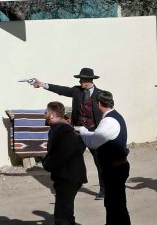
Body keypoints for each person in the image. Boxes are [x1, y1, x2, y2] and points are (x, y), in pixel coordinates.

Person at [33, 68, 107, 199]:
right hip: (78, 131)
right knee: (71, 157)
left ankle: (104, 189)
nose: (80, 81)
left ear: (88, 80)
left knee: (99, 161)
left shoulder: (100, 94)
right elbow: (61, 90)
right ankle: (68, 184)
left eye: (81, 79)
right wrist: (42, 84)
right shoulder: (76, 91)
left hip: (93, 132)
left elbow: (106, 111)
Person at [78, 92, 131, 225]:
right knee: (110, 204)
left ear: (99, 104)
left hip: (116, 168)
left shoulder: (109, 121)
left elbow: (93, 141)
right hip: (112, 168)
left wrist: (82, 131)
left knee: (119, 207)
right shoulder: (111, 118)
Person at [40, 101, 87, 225]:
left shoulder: (63, 130)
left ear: (53, 115)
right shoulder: (63, 129)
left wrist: (47, 163)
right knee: (66, 214)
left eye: (46, 113)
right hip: (68, 176)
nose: (44, 115)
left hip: (68, 177)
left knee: (62, 216)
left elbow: (63, 153)